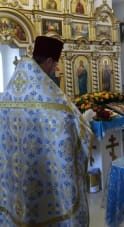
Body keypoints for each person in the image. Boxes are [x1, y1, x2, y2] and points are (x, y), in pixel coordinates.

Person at [0, 36, 92, 226]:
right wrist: (84, 122)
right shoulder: (52, 96)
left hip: (16, 175)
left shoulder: (11, 90)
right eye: (55, 64)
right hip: (43, 179)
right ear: (49, 61)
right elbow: (74, 126)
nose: (54, 69)